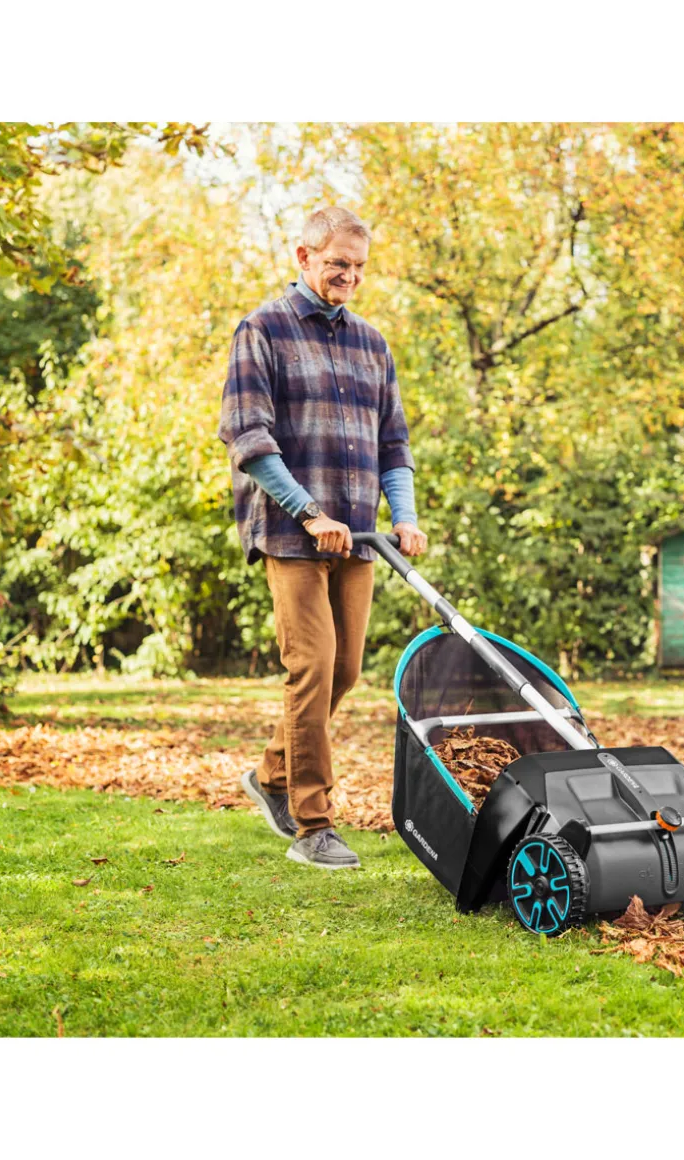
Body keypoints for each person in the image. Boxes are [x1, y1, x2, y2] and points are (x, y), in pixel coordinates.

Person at [218, 207, 427, 870]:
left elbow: (393, 444)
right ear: (303, 257)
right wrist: (309, 513)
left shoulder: (372, 344)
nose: (349, 276)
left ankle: (273, 774)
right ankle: (313, 824)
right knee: (312, 666)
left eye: (359, 266)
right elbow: (249, 440)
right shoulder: (262, 331)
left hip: (357, 534)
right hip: (291, 533)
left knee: (345, 670)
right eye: (338, 263)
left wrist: (405, 516)